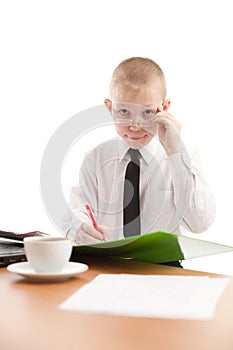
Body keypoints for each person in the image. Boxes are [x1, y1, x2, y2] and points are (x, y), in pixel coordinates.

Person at [63, 57, 215, 250]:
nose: (135, 126)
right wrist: (78, 227)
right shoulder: (97, 158)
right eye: (124, 111)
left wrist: (176, 154)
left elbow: (199, 223)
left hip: (164, 266)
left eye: (147, 113)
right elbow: (75, 209)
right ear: (110, 108)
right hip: (110, 262)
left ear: (164, 109)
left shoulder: (185, 156)